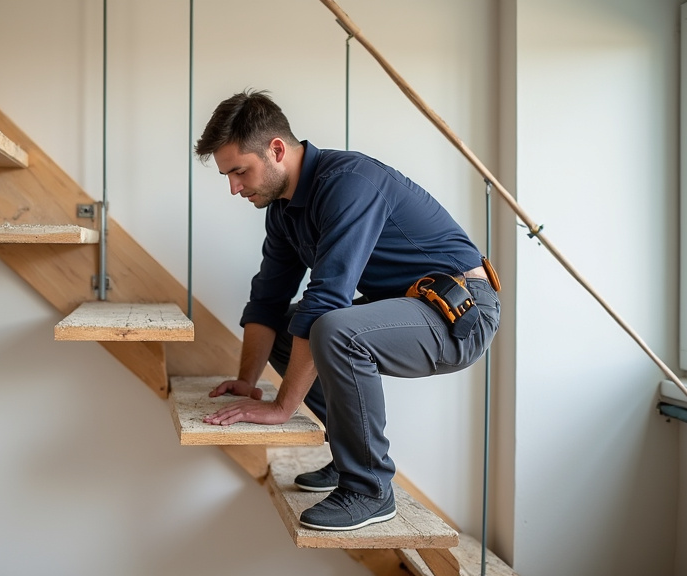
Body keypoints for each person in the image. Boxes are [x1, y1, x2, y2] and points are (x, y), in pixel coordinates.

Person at [194, 90, 500, 531]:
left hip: (462, 312)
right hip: (406, 305)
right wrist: (247, 381)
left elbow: (328, 298)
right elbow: (268, 298)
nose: (234, 187)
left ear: (276, 149)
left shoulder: (349, 181)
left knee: (333, 327)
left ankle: (370, 489)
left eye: (240, 171)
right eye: (227, 176)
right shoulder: (282, 211)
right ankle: (348, 459)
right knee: (290, 325)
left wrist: (283, 407)